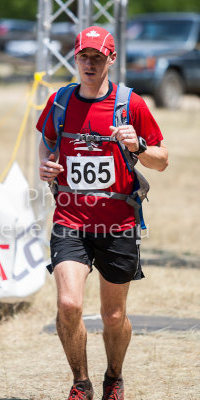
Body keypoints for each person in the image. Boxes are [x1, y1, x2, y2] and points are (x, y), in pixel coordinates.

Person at [36, 25, 168, 400]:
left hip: (118, 223)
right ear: (75, 58)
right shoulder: (60, 102)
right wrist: (46, 168)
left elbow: (162, 161)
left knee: (113, 317)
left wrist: (139, 146)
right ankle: (81, 383)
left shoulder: (131, 104)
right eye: (83, 56)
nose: (89, 63)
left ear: (111, 58)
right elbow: (46, 143)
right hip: (70, 220)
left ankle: (114, 377)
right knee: (68, 303)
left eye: (97, 56)